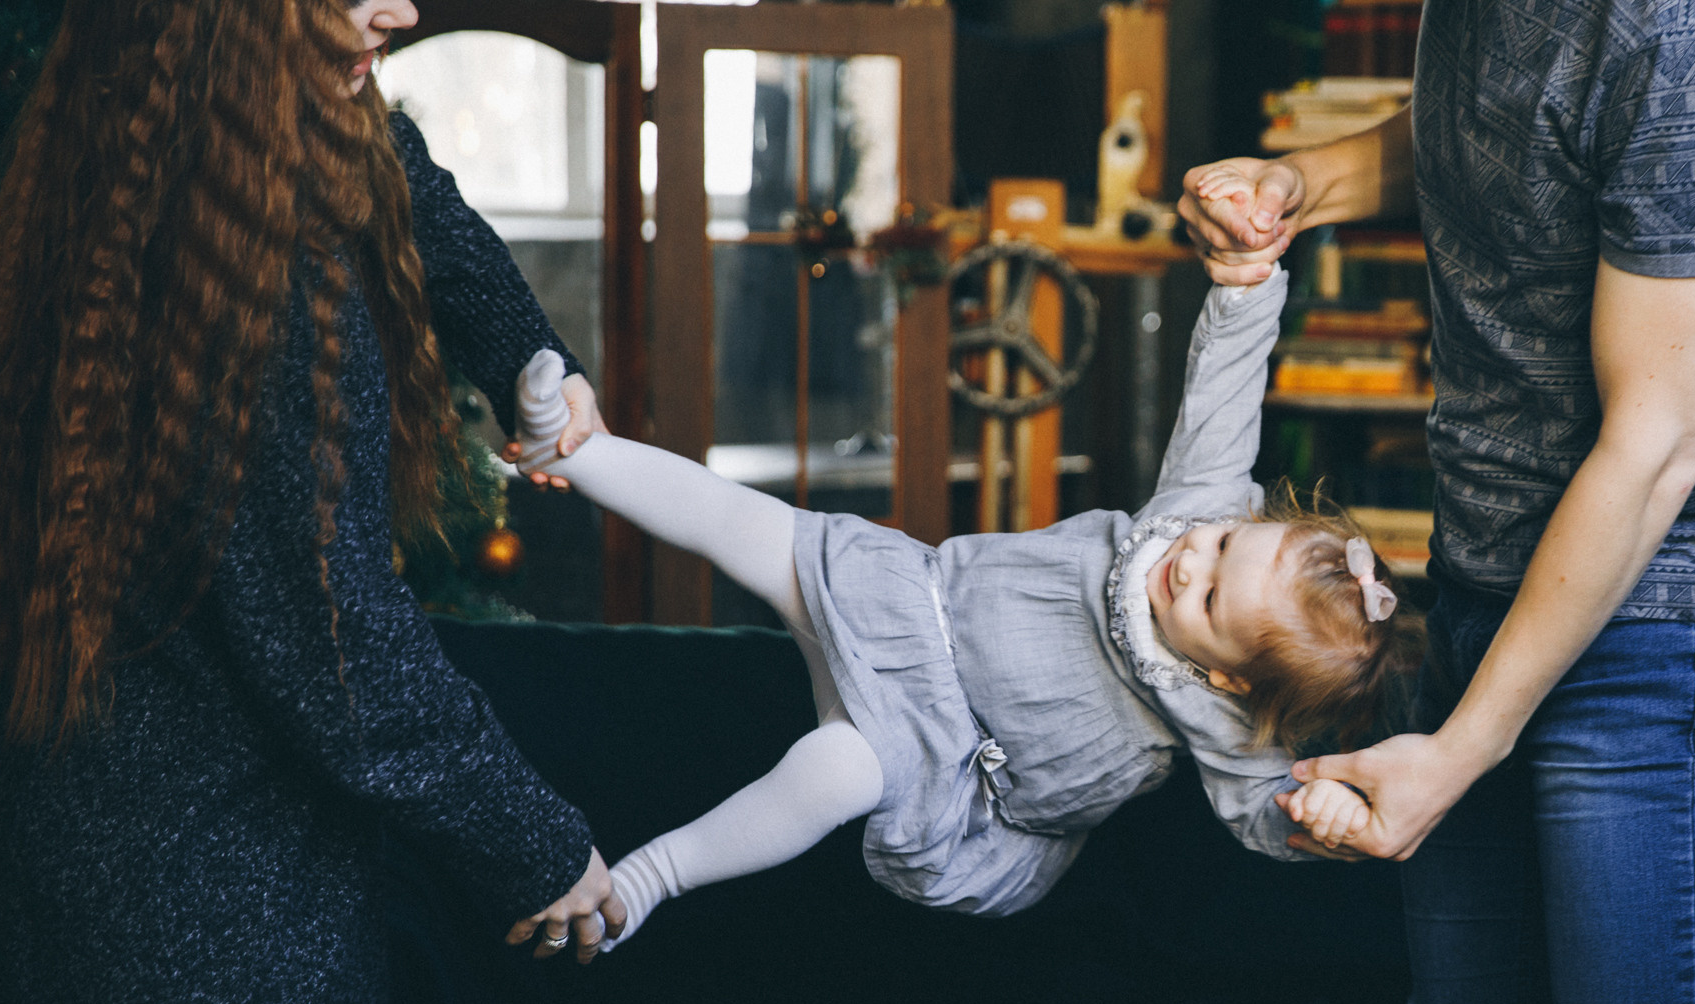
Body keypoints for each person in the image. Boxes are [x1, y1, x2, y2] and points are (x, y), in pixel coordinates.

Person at [0, 0, 623, 1004]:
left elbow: (418, 201)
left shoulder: (168, 124)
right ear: (237, 17)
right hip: (203, 945)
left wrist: (531, 362)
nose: (401, 11)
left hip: (87, 870)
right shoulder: (239, 282)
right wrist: (539, 848)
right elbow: (341, 652)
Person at [1178, 0, 1695, 1004]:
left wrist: (1458, 748)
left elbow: (1652, 448)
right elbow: (1488, 135)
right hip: (1489, 585)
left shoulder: (1693, 33)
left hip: (1667, 626)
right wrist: (1301, 184)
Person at [509, 254, 1423, 947]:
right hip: (901, 601)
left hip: (939, 757)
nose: (1191, 563)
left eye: (1213, 598)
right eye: (1223, 544)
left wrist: (1320, 818)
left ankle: (650, 878)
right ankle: (575, 453)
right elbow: (1225, 391)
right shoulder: (1196, 511)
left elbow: (1264, 809)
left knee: (831, 774)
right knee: (750, 522)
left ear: (1228, 678)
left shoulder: (1223, 725)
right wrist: (1250, 277)